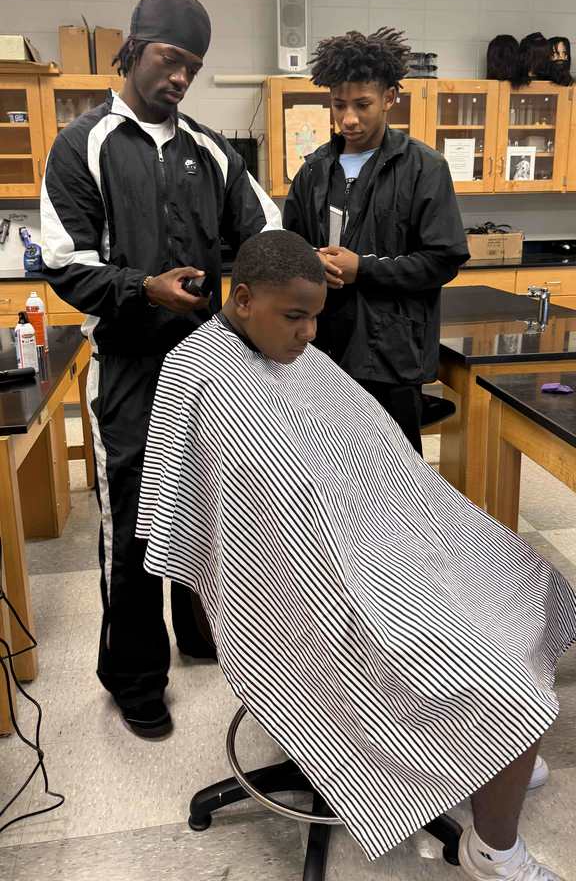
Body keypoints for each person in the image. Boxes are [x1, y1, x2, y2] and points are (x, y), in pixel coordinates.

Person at [137, 230, 573, 880]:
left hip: (372, 544)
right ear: (245, 298)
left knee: (519, 574)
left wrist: (404, 527)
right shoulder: (202, 374)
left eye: (317, 316)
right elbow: (241, 524)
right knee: (506, 685)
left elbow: (367, 455)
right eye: (295, 316)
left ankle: (488, 750)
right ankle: (492, 849)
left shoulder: (279, 352)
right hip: (312, 595)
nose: (310, 333)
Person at [40, 0, 281, 739]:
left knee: (209, 506)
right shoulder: (82, 145)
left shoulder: (209, 150)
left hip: (208, 365)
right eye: (170, 61)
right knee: (138, 524)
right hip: (132, 367)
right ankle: (136, 676)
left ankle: (200, 627)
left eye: (193, 68)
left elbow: (264, 232)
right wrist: (141, 287)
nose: (179, 79)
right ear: (135, 51)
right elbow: (63, 260)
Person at [283, 27, 470, 454]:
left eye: (362, 104)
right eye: (339, 104)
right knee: (329, 477)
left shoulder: (424, 168)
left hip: (391, 358)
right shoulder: (314, 171)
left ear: (389, 98)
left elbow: (443, 259)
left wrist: (362, 268)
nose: (349, 118)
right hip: (320, 355)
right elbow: (287, 249)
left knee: (399, 482)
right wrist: (311, 261)